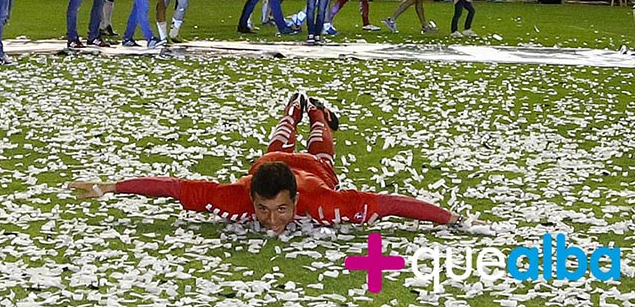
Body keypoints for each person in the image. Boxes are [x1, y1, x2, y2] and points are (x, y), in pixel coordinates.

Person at [69, 93, 469, 234]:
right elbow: (172, 187)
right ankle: (292, 108)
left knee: (322, 153)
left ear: (295, 201)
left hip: (312, 170)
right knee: (274, 148)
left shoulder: (326, 202)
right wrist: (109, 187)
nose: (272, 220)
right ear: (252, 196)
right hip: (273, 161)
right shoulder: (234, 196)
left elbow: (391, 204)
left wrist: (451, 219)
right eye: (263, 209)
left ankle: (315, 112)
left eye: (280, 210)